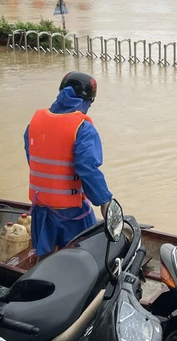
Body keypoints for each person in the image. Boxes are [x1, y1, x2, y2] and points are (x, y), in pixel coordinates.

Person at [24, 71, 112, 257]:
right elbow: (88, 169)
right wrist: (104, 202)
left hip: (41, 211)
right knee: (80, 260)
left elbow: (33, 159)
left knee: (44, 258)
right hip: (71, 214)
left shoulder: (35, 122)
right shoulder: (83, 128)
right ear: (87, 101)